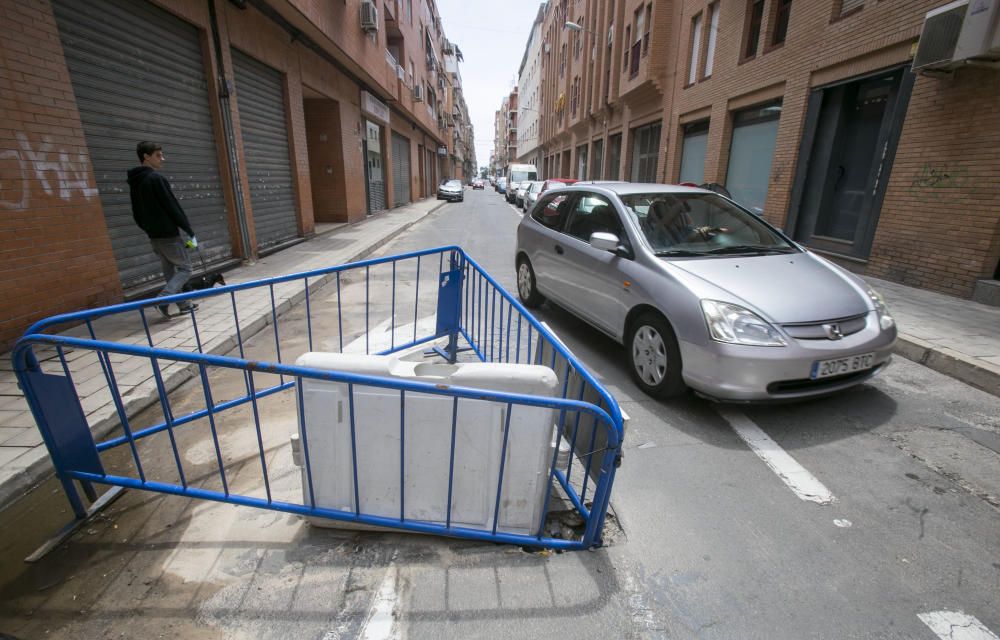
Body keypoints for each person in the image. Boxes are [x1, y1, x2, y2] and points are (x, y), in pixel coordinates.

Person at [128, 141, 198, 318]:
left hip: (154, 236)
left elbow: (136, 213)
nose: (162, 159)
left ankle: (182, 304)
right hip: (168, 235)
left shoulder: (136, 181)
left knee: (169, 271)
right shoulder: (155, 179)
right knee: (186, 269)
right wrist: (188, 229)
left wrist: (148, 229)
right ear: (146, 156)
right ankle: (164, 299)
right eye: (158, 155)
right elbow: (172, 206)